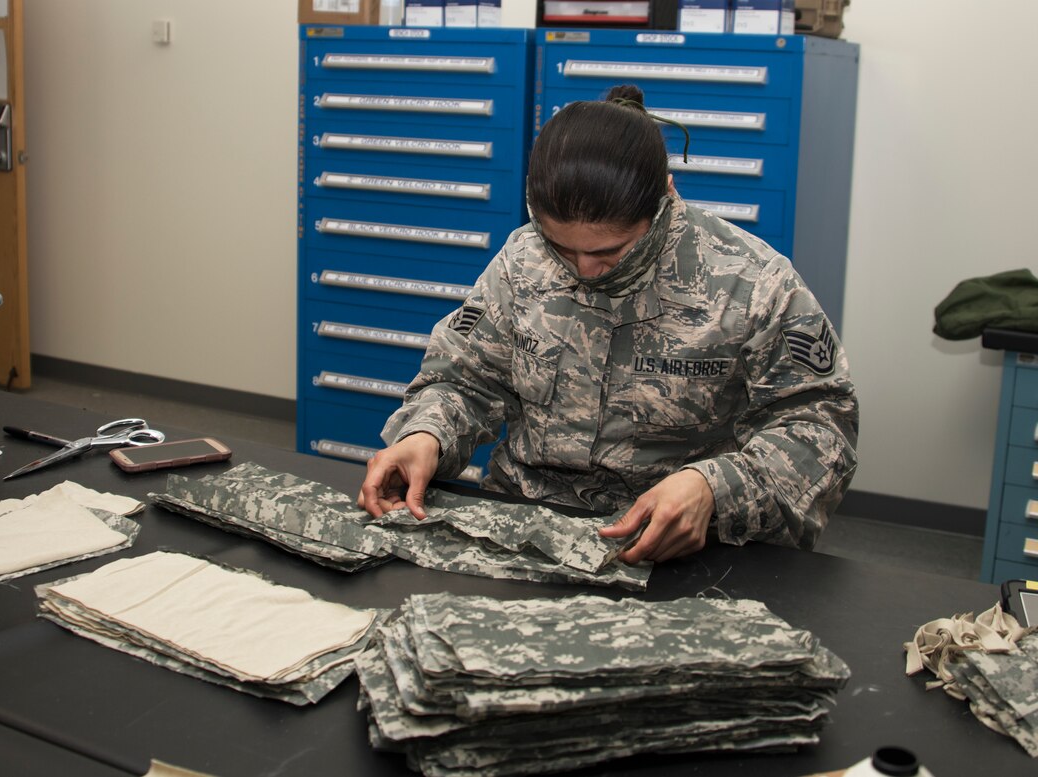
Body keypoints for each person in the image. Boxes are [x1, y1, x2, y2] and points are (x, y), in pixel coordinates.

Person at [358, 84, 858, 564]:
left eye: (609, 251)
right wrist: (426, 436)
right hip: (527, 524)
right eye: (561, 247)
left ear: (664, 195)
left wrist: (713, 486)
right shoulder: (522, 259)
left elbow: (820, 427)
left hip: (677, 543)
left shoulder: (752, 282)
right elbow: (464, 380)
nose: (582, 269)